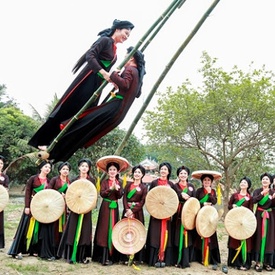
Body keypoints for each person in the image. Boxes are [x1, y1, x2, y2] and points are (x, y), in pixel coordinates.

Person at [28, 19, 134, 154]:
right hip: (87, 80)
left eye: (128, 36)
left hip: (96, 85)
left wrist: (111, 79)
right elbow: (91, 55)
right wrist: (103, 72)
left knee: (83, 114)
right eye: (126, 33)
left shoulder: (114, 48)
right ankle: (43, 141)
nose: (126, 37)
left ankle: (58, 145)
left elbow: (105, 70)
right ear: (117, 29)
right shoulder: (105, 41)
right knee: (69, 108)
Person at [38, 46, 146, 163]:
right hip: (118, 113)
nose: (124, 58)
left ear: (131, 58)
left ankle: (51, 150)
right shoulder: (138, 75)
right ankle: (55, 155)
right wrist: (118, 82)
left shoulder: (130, 69)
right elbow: (136, 93)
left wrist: (114, 75)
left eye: (126, 56)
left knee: (79, 125)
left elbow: (125, 85)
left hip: (114, 107)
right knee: (84, 132)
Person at [7, 160, 55, 260]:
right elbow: (28, 193)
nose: (47, 169)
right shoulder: (33, 179)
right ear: (41, 168)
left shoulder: (49, 181)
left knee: (39, 229)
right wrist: (27, 207)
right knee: (26, 228)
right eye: (46, 167)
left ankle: (34, 250)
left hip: (42, 209)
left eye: (49, 168)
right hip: (32, 207)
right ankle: (18, 250)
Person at [57, 158, 95, 264]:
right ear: (79, 167)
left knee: (84, 232)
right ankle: (70, 255)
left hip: (86, 209)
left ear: (89, 168)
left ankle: (81, 256)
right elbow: (70, 194)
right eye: (82, 166)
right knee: (72, 231)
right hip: (75, 209)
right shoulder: (73, 180)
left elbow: (94, 195)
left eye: (86, 166)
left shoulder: (92, 181)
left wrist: (88, 206)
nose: (84, 168)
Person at [92, 156, 129, 266]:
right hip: (106, 206)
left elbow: (120, 195)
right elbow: (102, 194)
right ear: (107, 171)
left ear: (117, 171)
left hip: (115, 206)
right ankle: (102, 256)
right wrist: (111, 188)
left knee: (114, 227)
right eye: (110, 170)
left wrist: (117, 189)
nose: (112, 171)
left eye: (114, 170)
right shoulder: (104, 182)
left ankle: (112, 255)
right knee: (104, 228)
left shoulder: (120, 182)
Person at [145, 162, 175, 268]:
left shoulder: (171, 185)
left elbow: (174, 199)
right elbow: (150, 198)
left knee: (166, 234)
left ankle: (164, 258)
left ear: (168, 172)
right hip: (156, 214)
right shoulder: (154, 183)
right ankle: (154, 259)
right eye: (162, 169)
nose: (163, 171)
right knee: (155, 235)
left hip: (166, 214)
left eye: (165, 169)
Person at [193, 171, 221, 270]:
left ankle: (211, 257)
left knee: (210, 235)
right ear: (202, 181)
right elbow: (195, 202)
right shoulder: (198, 191)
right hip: (200, 215)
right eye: (205, 180)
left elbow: (214, 201)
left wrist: (209, 193)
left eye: (209, 180)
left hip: (210, 216)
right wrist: (202, 204)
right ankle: (199, 257)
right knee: (199, 234)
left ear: (211, 181)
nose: (207, 181)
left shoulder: (213, 191)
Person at [121, 164, 147, 265]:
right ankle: (125, 257)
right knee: (125, 232)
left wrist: (133, 210)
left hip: (138, 213)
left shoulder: (144, 187)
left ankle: (136, 257)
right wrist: (127, 209)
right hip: (127, 212)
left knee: (137, 233)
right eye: (135, 172)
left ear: (142, 175)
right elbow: (124, 198)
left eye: (139, 172)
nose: (137, 174)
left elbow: (142, 201)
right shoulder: (128, 185)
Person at [227, 176, 253, 271]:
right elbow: (229, 206)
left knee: (245, 241)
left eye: (245, 183)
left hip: (245, 222)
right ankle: (235, 263)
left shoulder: (250, 198)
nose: (242, 184)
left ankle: (245, 262)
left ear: (248, 185)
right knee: (234, 240)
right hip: (235, 222)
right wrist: (233, 206)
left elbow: (250, 210)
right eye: (241, 182)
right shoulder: (234, 195)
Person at [172, 165, 196, 269]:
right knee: (177, 235)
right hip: (178, 213)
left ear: (187, 175)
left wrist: (189, 198)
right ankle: (177, 259)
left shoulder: (191, 186)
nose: (183, 175)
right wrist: (180, 196)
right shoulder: (175, 186)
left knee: (188, 235)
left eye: (185, 173)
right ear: (178, 175)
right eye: (181, 173)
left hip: (188, 214)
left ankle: (186, 260)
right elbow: (172, 197)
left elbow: (194, 200)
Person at [252, 172, 275, 272]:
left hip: (269, 217)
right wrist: (262, 194)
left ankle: (267, 262)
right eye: (263, 179)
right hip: (259, 216)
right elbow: (254, 201)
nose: (265, 181)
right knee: (258, 237)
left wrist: (273, 198)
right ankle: (258, 262)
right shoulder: (257, 191)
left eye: (267, 179)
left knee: (269, 239)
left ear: (270, 181)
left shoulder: (273, 192)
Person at [47, 161, 71, 254]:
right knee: (54, 226)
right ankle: (52, 248)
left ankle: (60, 249)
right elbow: (48, 191)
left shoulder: (69, 182)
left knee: (63, 226)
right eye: (63, 169)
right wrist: (58, 195)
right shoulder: (54, 180)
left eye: (67, 169)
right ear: (60, 170)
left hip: (64, 207)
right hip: (55, 206)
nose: (65, 171)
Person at [0, 155, 9, 249]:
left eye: (1, 163)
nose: (0, 165)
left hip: (0, 202)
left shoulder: (5, 177)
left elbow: (6, 187)